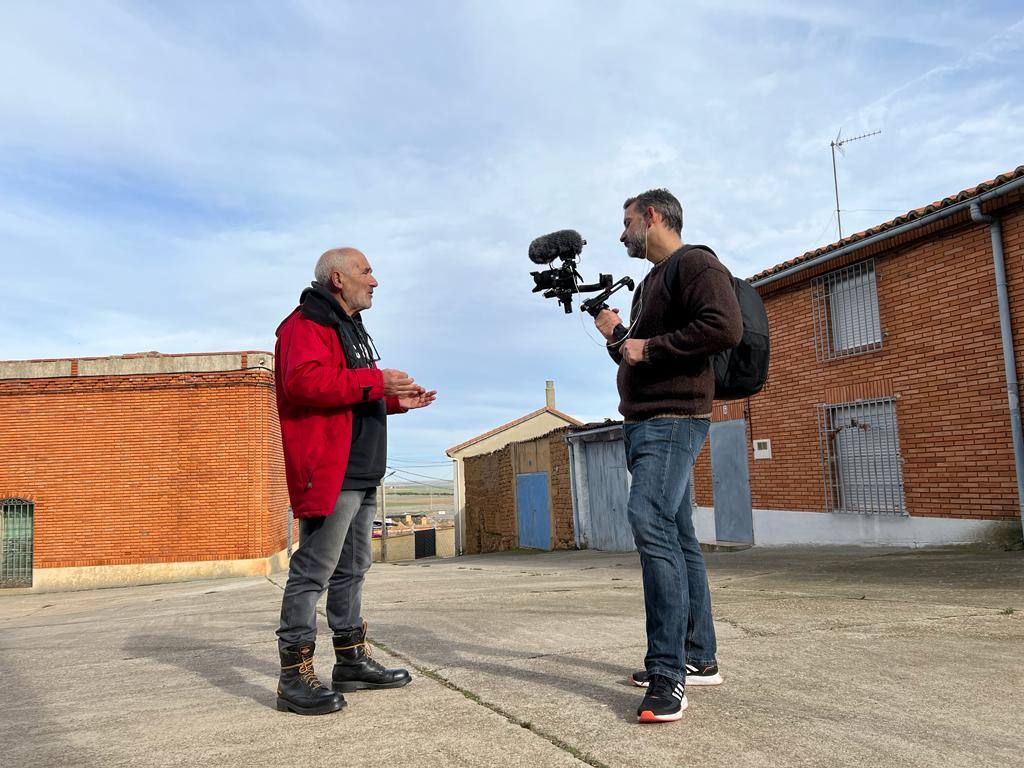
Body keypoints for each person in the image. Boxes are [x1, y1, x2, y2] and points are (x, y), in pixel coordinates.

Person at [594, 189, 742, 724]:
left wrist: (649, 347)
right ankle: (699, 658)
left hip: (672, 419)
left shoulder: (695, 263)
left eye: (627, 222)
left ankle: (667, 673)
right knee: (678, 537)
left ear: (652, 216)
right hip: (645, 420)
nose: (622, 233)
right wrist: (617, 335)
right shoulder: (651, 283)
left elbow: (724, 326)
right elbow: (637, 353)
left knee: (649, 523)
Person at [274, 247, 437, 716]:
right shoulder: (305, 324)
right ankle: (293, 676)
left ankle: (350, 662)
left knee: (353, 568)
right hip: (331, 470)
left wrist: (396, 400)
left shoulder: (347, 327)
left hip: (362, 469)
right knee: (314, 570)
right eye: (366, 271)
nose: (375, 280)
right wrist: (376, 383)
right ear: (338, 279)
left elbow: (347, 392)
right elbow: (304, 384)